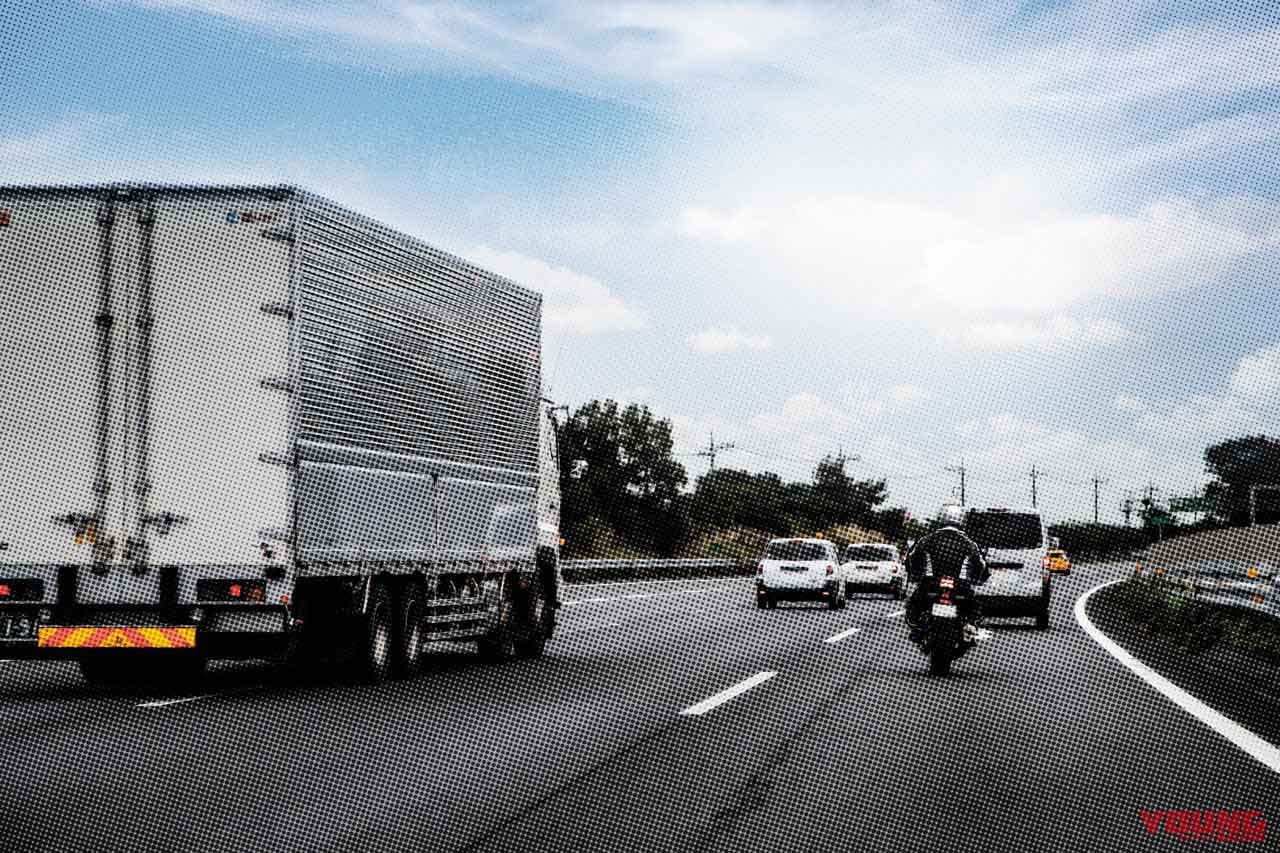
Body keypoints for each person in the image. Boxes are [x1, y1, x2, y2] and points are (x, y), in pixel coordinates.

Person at [904, 505, 988, 646]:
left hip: (931, 582)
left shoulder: (927, 539)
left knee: (914, 603)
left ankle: (918, 629)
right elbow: (981, 565)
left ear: (941, 519)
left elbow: (912, 558)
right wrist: (980, 578)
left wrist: (914, 574)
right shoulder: (969, 543)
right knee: (974, 606)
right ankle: (970, 627)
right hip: (961, 585)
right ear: (961, 520)